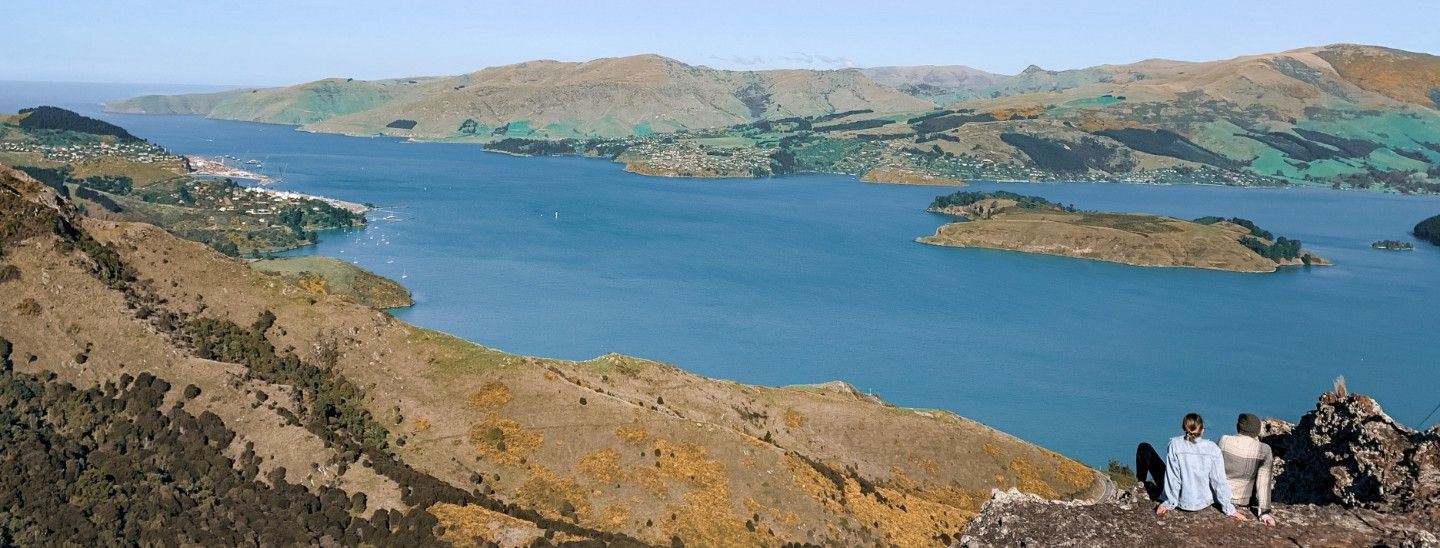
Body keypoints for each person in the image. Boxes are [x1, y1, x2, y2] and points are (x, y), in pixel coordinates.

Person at [1135, 413, 1250, 521]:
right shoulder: (1212, 448)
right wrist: (1229, 509)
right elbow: (1218, 481)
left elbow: (1173, 477)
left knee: (1144, 448)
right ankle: (1142, 482)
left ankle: (1141, 482)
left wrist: (1169, 502)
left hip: (1181, 500)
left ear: (1184, 428)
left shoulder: (1175, 445)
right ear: (1202, 430)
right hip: (1203, 500)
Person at [1220, 413, 1277, 526]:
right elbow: (1263, 482)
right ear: (1257, 431)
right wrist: (1264, 512)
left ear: (1238, 427)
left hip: (1221, 497)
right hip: (1243, 501)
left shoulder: (1224, 440)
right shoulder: (1264, 449)